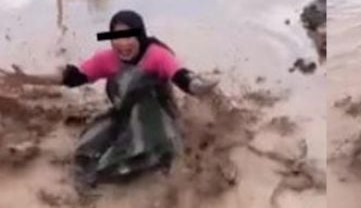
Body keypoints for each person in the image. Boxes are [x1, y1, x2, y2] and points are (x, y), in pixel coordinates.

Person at [0, 10, 217, 189]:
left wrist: (197, 86)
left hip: (157, 115)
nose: (122, 44)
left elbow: (181, 75)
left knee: (156, 145)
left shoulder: (157, 54)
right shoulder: (107, 59)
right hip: (124, 114)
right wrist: (29, 78)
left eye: (128, 37)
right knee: (87, 151)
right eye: (116, 37)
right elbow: (70, 76)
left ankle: (154, 158)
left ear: (140, 36)